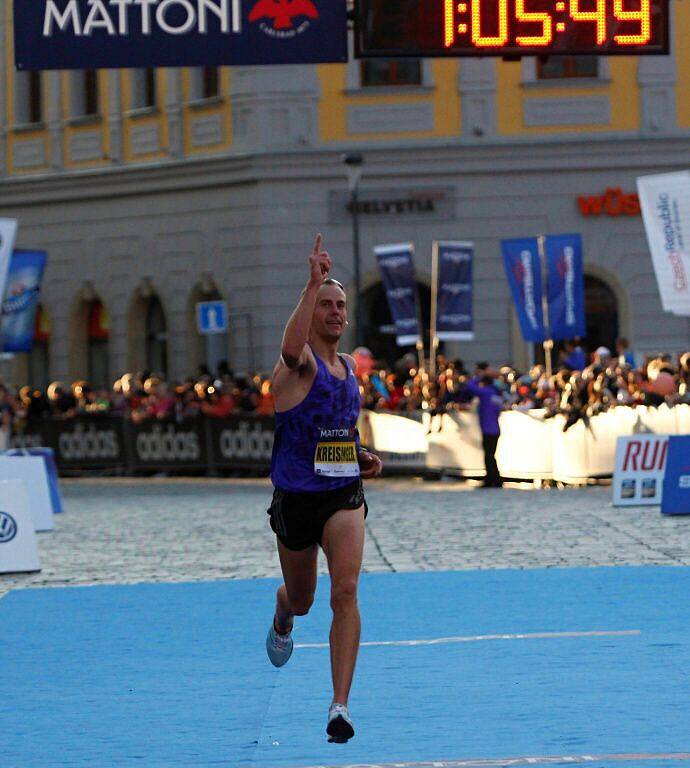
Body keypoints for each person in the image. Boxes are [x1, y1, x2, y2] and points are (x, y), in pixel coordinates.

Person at [265, 234, 383, 744]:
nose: (334, 312)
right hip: (296, 500)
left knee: (347, 590)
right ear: (313, 312)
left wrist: (357, 456)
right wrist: (311, 283)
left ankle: (340, 706)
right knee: (306, 598)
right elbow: (291, 350)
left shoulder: (348, 369)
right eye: (326, 305)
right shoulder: (302, 364)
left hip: (342, 496)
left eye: (340, 305)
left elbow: (335, 432)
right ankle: (282, 611)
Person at [465, 364, 504, 487]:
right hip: (495, 429)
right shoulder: (495, 394)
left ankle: (491, 480)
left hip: (487, 429)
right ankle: (495, 478)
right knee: (491, 455)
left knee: (488, 456)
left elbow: (470, 386)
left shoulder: (485, 393)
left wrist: (479, 376)